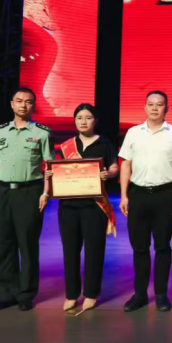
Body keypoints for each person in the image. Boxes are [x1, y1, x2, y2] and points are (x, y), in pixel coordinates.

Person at [118, 90, 172, 312]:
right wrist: (124, 195)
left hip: (164, 195)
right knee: (139, 247)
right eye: (151, 104)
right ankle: (139, 294)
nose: (155, 108)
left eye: (159, 104)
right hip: (138, 195)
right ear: (145, 107)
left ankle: (161, 294)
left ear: (166, 108)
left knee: (162, 246)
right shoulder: (133, 133)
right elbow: (126, 165)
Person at [0, 87, 55, 312]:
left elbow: (49, 166)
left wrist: (46, 193)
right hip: (3, 192)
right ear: (12, 104)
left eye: (28, 102)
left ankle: (26, 294)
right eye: (19, 101)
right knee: (3, 244)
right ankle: (7, 294)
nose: (23, 105)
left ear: (33, 105)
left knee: (27, 244)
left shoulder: (42, 133)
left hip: (29, 191)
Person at [47, 103, 118, 314]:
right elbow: (59, 169)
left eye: (88, 117)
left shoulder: (105, 143)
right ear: (75, 121)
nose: (83, 121)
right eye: (79, 118)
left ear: (95, 120)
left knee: (94, 250)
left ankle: (91, 294)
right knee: (70, 251)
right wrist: (51, 174)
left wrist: (109, 173)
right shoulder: (67, 146)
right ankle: (71, 294)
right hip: (68, 205)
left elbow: (114, 166)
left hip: (94, 205)